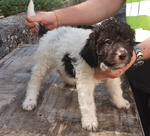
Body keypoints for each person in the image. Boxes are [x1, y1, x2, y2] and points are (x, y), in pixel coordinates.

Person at [25, 0, 150, 135]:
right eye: (108, 42)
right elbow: (109, 2)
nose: (121, 50)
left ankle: (117, 99)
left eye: (126, 42)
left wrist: (137, 52)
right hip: (52, 41)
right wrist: (56, 17)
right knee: (40, 71)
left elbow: (112, 75)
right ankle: (31, 94)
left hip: (141, 51)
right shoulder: (90, 49)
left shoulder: (112, 48)